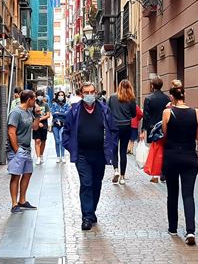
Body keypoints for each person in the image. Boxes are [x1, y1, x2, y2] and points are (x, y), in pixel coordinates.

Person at [62, 82, 118, 231]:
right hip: (82, 155)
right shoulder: (74, 111)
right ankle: (86, 216)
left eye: (92, 92)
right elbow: (66, 132)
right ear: (81, 94)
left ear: (95, 93)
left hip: (100, 154)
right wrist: (71, 147)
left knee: (96, 184)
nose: (89, 95)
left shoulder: (104, 110)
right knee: (86, 184)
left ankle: (91, 210)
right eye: (86, 92)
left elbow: (113, 130)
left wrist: (111, 147)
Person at [162, 79, 198, 246]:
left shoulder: (167, 113)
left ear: (172, 97)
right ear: (184, 95)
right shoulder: (196, 112)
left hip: (171, 156)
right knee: (188, 194)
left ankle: (173, 227)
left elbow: (164, 135)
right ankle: (190, 230)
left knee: (172, 193)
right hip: (189, 157)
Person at [7, 89, 41, 214]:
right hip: (17, 149)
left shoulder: (28, 112)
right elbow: (11, 132)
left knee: (27, 174)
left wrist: (37, 115)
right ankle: (14, 203)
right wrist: (17, 150)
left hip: (27, 149)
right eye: (34, 99)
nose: (35, 101)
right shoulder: (16, 112)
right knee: (16, 175)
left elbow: (35, 127)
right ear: (29, 100)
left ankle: (22, 200)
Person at [140, 76, 171, 183]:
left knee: (154, 151)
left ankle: (154, 175)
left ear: (152, 86)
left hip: (153, 128)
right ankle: (163, 173)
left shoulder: (148, 98)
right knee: (164, 150)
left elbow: (146, 116)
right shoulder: (167, 98)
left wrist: (143, 130)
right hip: (165, 127)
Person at [107, 80, 137, 185]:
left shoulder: (112, 97)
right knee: (123, 151)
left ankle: (116, 170)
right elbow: (134, 115)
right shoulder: (131, 99)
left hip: (114, 127)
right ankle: (123, 177)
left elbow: (107, 111)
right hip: (126, 126)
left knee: (114, 150)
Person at [33, 90, 51, 165]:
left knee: (43, 141)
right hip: (36, 125)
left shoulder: (45, 105)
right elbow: (31, 115)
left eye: (41, 95)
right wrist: (37, 122)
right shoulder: (33, 105)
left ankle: (41, 155)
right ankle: (38, 157)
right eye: (38, 95)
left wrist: (40, 119)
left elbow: (48, 115)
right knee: (37, 141)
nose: (40, 97)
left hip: (44, 125)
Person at [51, 90, 70, 163]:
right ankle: (58, 156)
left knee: (62, 140)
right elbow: (53, 114)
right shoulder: (54, 104)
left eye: (62, 95)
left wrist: (58, 113)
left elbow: (67, 114)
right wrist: (61, 114)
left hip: (64, 124)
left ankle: (63, 156)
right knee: (57, 141)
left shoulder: (66, 105)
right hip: (55, 124)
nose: (61, 96)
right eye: (59, 95)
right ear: (57, 96)